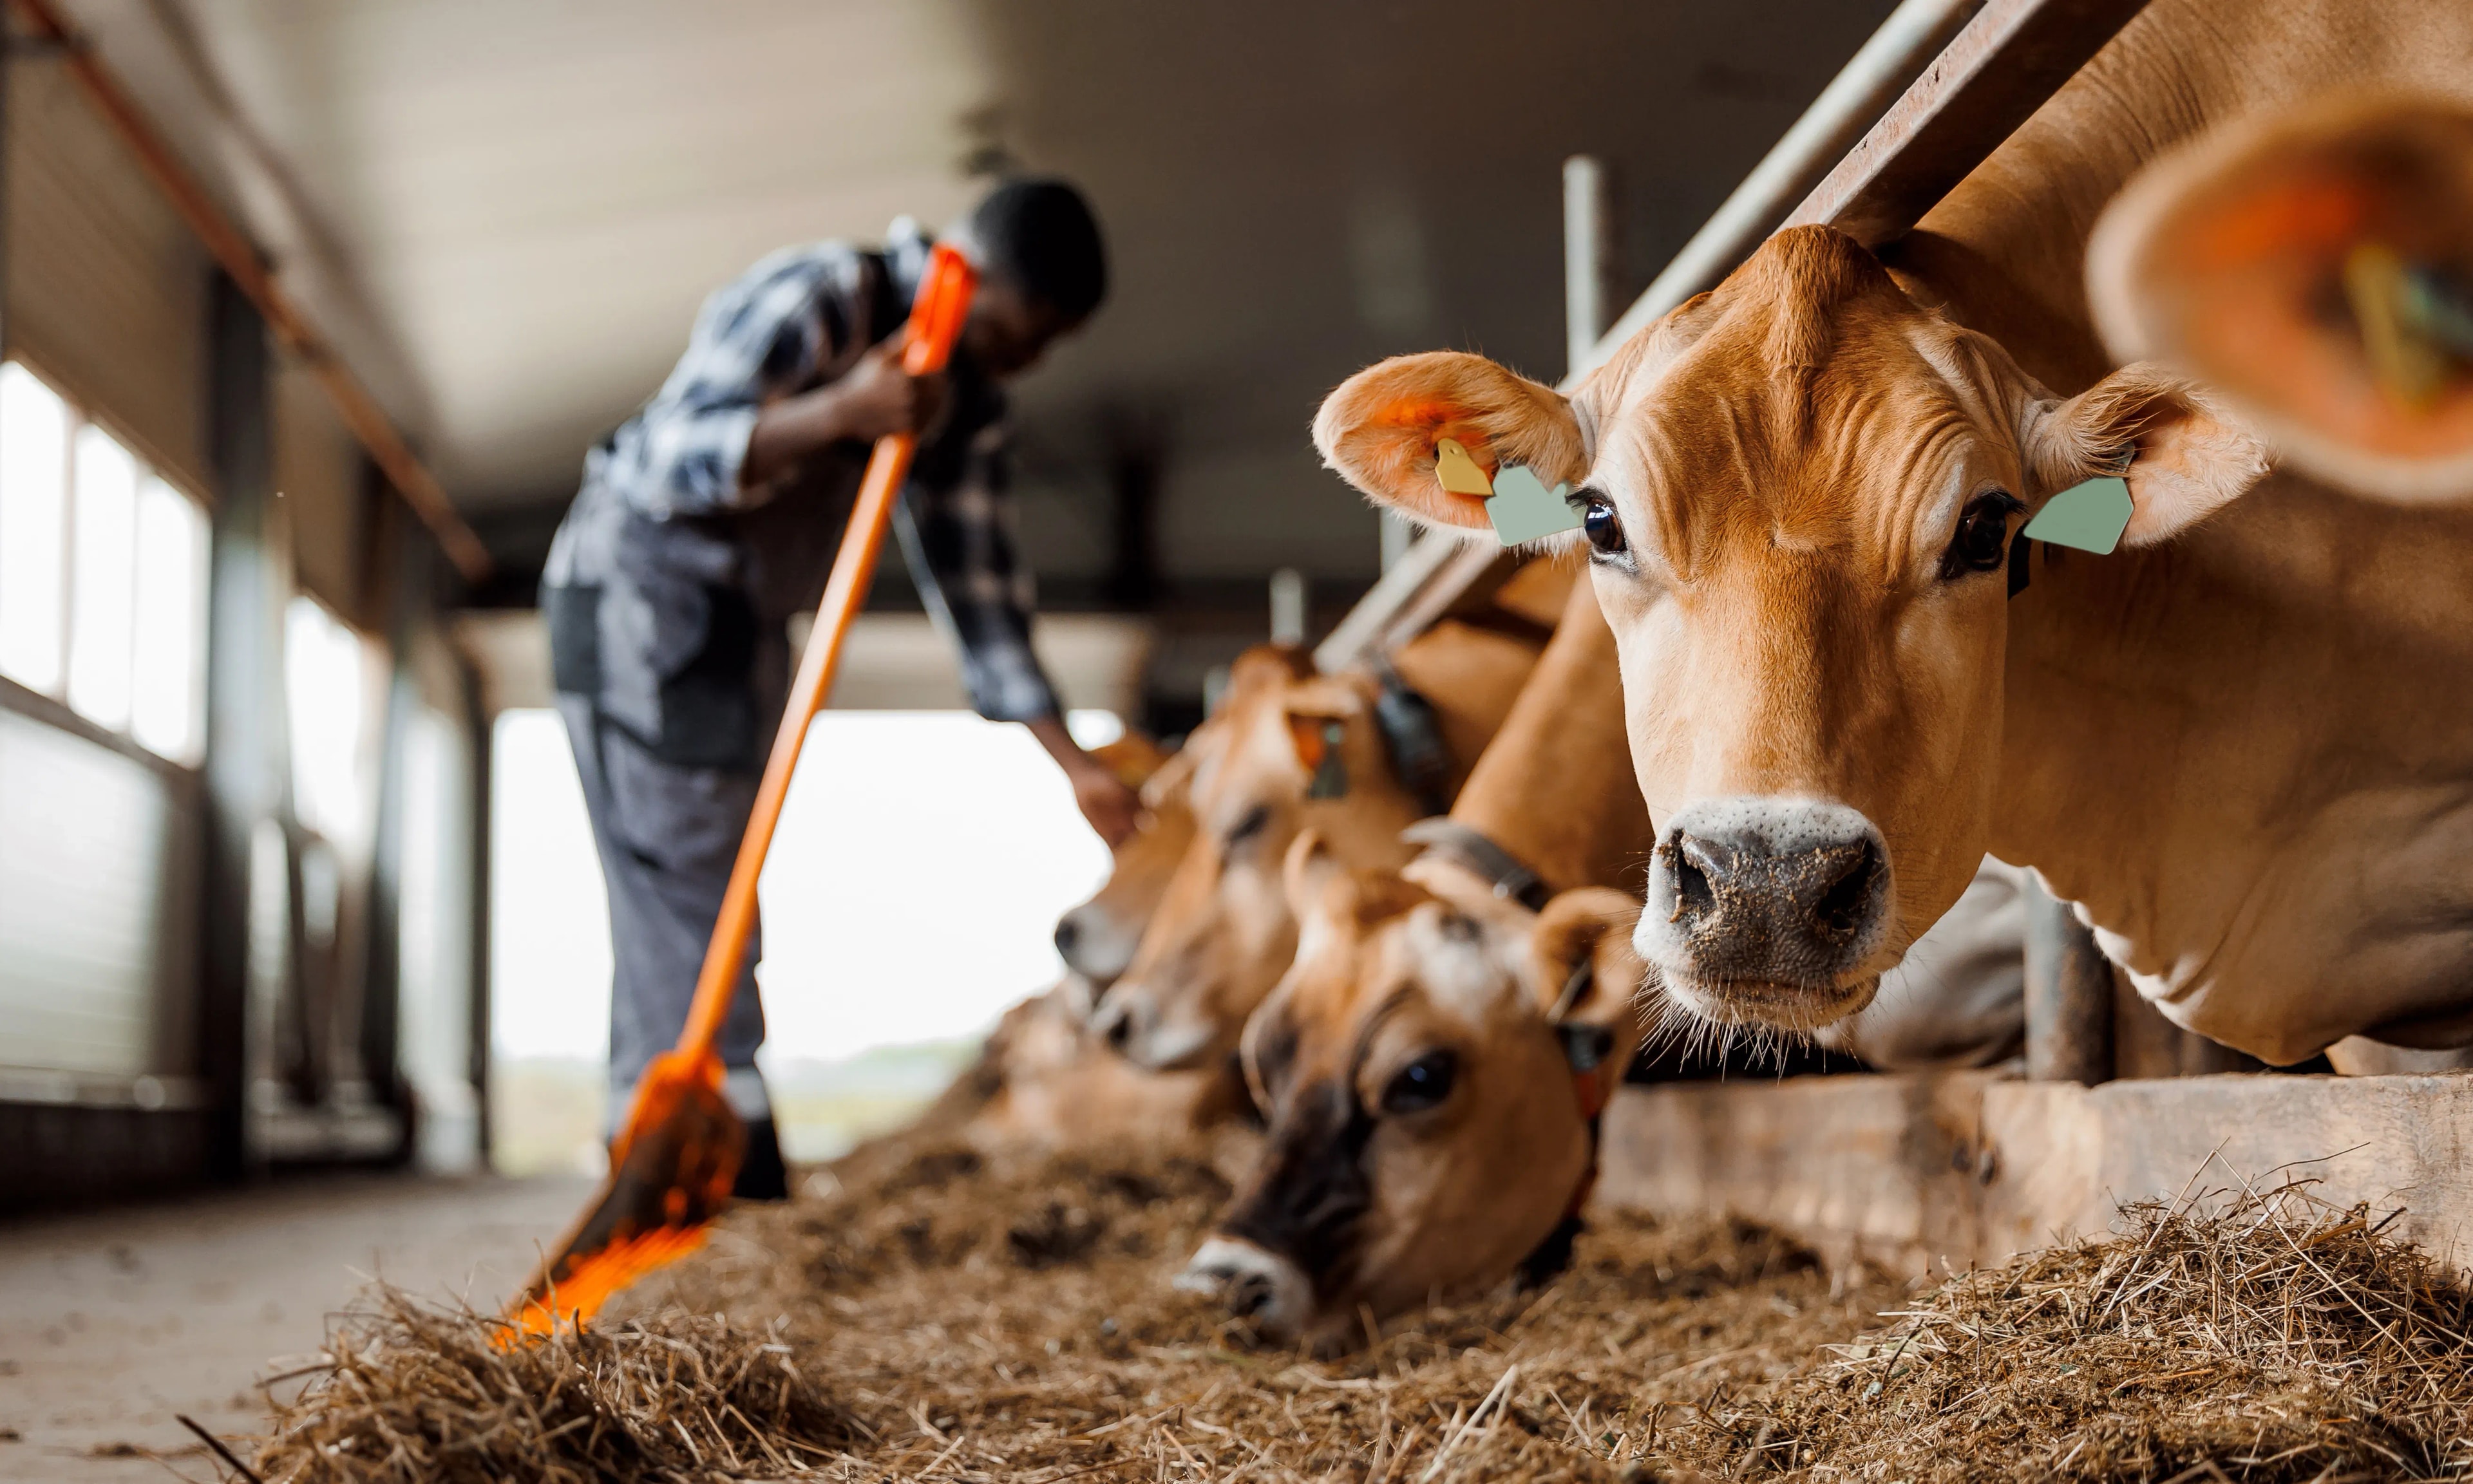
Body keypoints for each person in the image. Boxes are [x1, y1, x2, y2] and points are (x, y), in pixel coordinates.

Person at [540, 179, 1140, 1199]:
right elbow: (659, 457)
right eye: (1012, 333)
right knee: (682, 875)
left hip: (748, 618)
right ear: (962, 271)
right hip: (641, 589)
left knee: (710, 880)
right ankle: (709, 1153)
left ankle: (675, 1143)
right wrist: (836, 413)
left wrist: (1071, 761)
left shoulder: (968, 396)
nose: (1020, 364)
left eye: (1042, 348)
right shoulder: (819, 295)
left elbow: (982, 593)